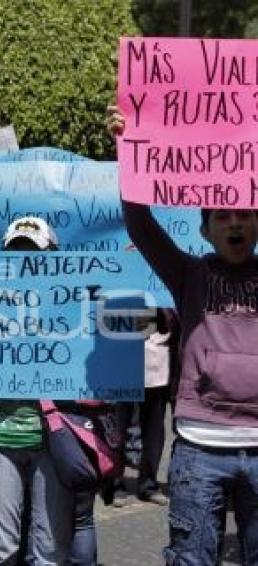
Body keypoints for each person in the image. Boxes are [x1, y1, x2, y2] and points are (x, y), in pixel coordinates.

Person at [108, 105, 258, 565]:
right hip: (198, 448)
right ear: (206, 229)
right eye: (223, 215)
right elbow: (140, 223)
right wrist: (128, 149)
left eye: (245, 213)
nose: (234, 222)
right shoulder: (187, 275)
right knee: (192, 557)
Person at [0, 217, 77, 566]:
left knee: (48, 554)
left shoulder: (75, 308)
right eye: (14, 253)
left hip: (54, 441)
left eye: (33, 254)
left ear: (54, 257)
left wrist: (124, 322)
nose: (24, 262)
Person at [112, 308, 177, 508]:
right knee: (116, 430)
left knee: (154, 431)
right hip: (121, 364)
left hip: (157, 364)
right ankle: (114, 483)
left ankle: (148, 483)